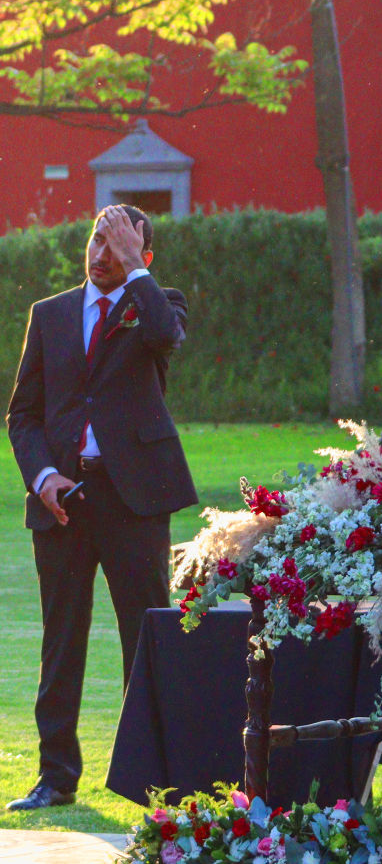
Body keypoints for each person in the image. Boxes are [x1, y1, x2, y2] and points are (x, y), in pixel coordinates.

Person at [6, 205, 196, 811]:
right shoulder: (50, 314)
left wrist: (137, 273)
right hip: (63, 500)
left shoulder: (156, 305)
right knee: (62, 641)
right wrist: (43, 478)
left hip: (133, 498)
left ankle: (153, 777)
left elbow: (167, 336)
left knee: (147, 634)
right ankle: (56, 776)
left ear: (143, 257)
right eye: (96, 238)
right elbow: (23, 413)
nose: (101, 253)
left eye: (117, 243)